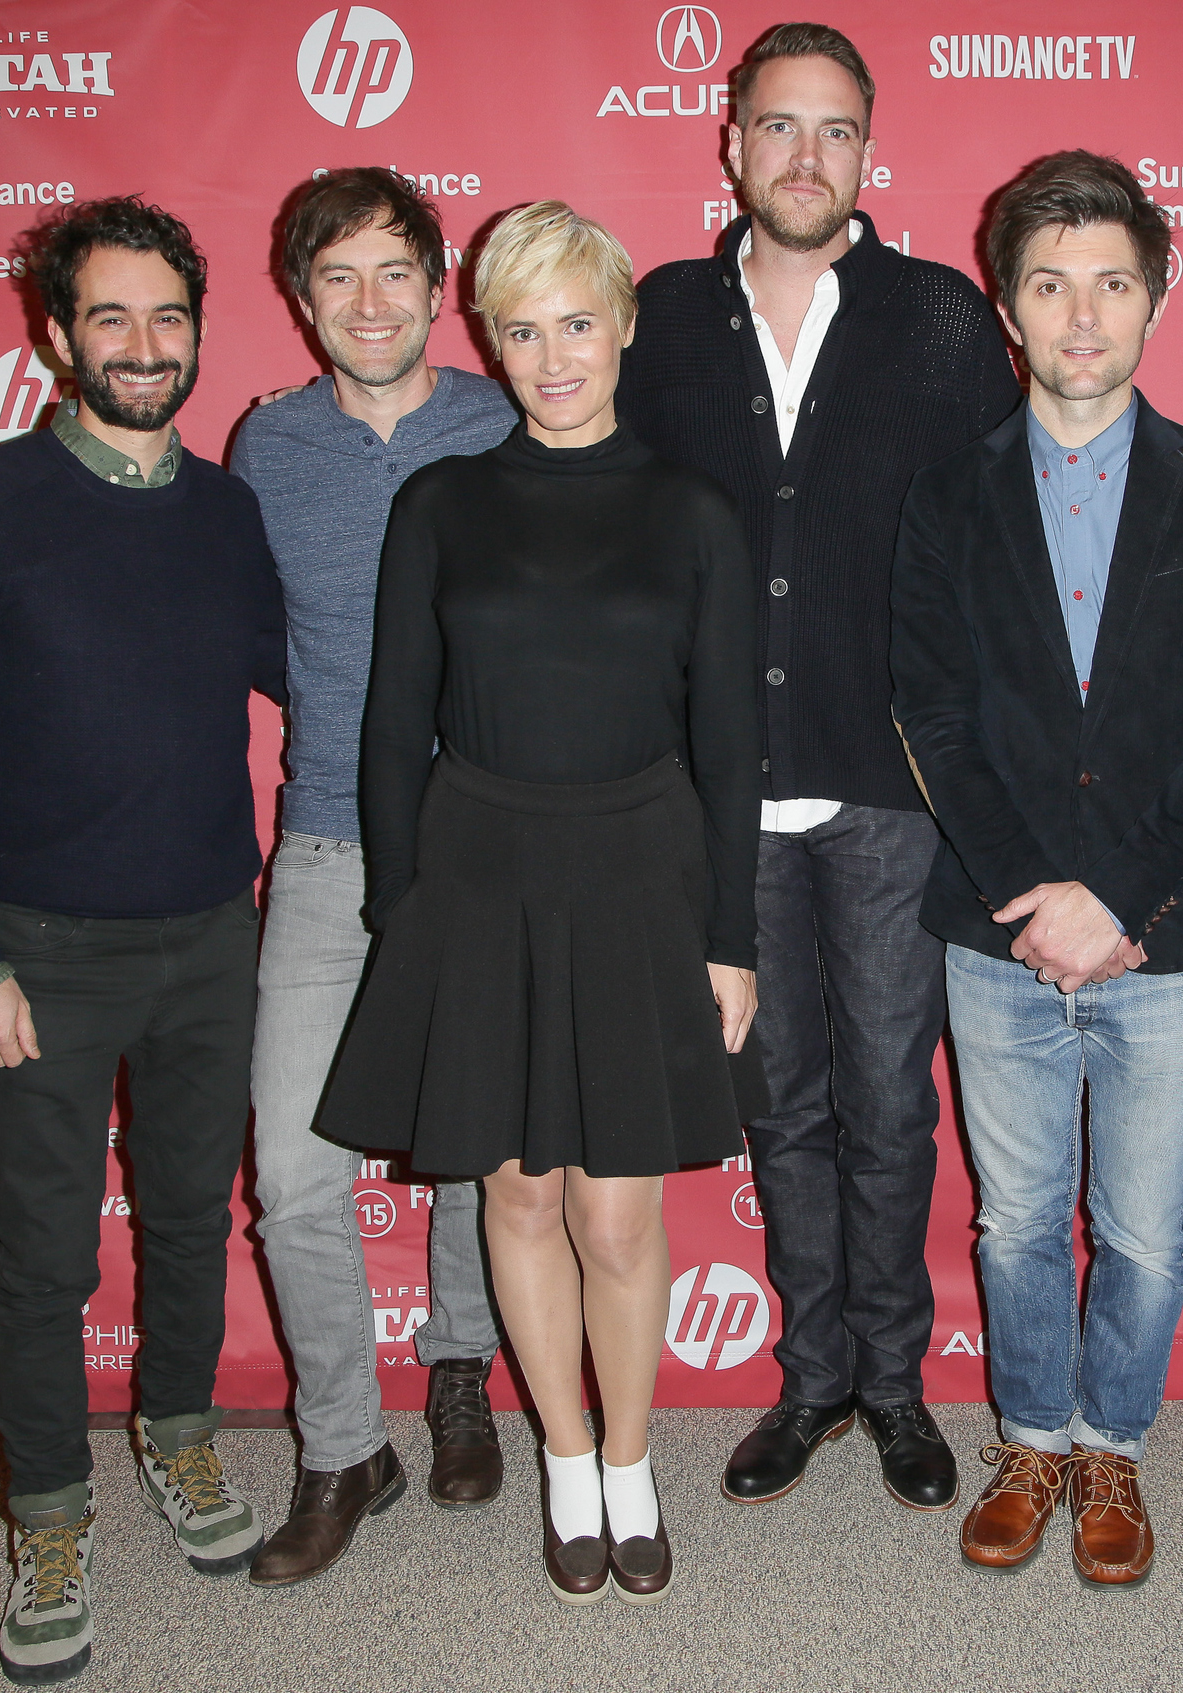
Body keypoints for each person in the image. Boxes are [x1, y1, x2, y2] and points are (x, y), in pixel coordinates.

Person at [618, 21, 1183, 1515]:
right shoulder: (661, 318)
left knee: (891, 1102)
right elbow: (591, 484)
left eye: (837, 131)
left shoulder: (938, 316)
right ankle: (813, 1378)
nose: (806, 157)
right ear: (730, 143)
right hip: (724, 790)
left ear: (872, 151)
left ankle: (898, 1385)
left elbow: (1066, 496)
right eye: (778, 128)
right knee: (779, 1103)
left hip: (891, 795)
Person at [317, 202, 762, 1608]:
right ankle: (564, 1459)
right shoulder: (438, 505)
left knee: (619, 1214)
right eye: (523, 327)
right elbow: (392, 728)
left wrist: (732, 934)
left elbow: (733, 748)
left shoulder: (694, 510)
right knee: (515, 1192)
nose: (555, 354)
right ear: (488, 341)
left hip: (642, 870)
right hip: (479, 876)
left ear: (625, 323)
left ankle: (632, 1460)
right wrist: (404, 913)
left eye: (580, 320)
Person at [0, 198, 283, 1684]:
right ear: (55, 335)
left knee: (188, 1220)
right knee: (44, 1256)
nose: (142, 345)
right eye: (109, 318)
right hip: (36, 950)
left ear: (197, 329)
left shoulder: (229, 511)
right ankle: (48, 1515)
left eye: (168, 317)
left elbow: (299, 668)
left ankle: (178, 1437)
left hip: (206, 934)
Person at [893, 151, 1183, 1587]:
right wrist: (1036, 902)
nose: (1081, 314)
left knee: (1137, 1227)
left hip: (1170, 941)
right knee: (1012, 1220)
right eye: (1050, 284)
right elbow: (932, 713)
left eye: (1111, 282)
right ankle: (1034, 1438)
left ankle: (1114, 1443)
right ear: (1008, 304)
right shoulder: (946, 496)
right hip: (994, 936)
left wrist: (1119, 900)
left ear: (1159, 295)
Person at [229, 168, 516, 1589]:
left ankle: (458, 1369)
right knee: (291, 1168)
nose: (367, 303)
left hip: (482, 838)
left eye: (392, 271)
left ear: (438, 276)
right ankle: (345, 1443)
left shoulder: (505, 417)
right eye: (334, 277)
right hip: (330, 845)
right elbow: (239, 635)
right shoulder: (265, 446)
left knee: (471, 1141)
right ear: (299, 299)